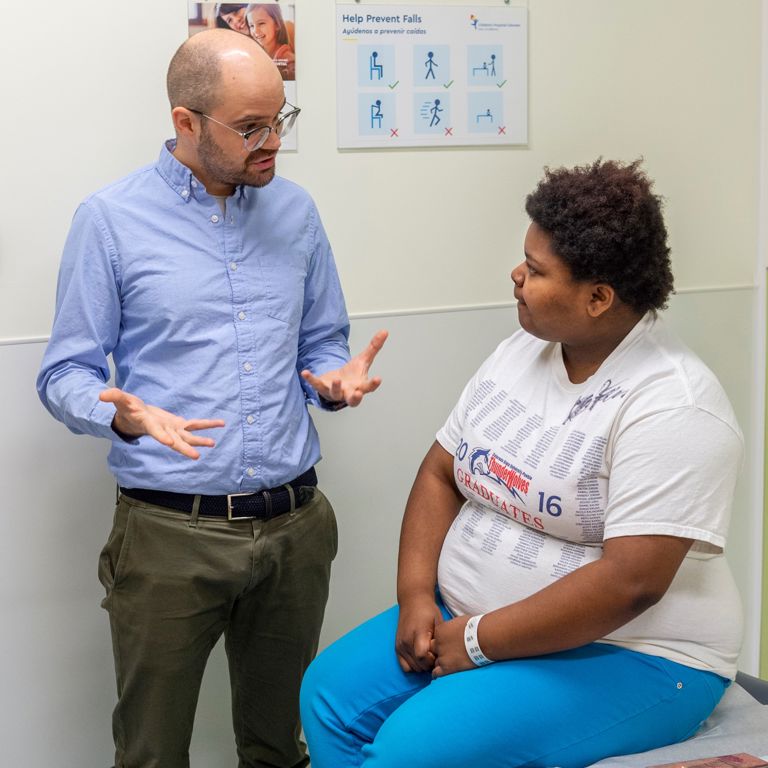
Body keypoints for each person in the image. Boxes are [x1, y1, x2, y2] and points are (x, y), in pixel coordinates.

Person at [300, 159, 743, 768]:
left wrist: (479, 643)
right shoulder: (522, 351)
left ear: (597, 297)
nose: (516, 275)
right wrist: (415, 595)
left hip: (637, 652)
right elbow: (439, 473)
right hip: (465, 614)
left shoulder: (674, 405)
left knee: (408, 750)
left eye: (535, 270)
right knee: (327, 697)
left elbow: (631, 583)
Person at [37, 28, 386, 768]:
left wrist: (332, 380)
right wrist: (117, 412)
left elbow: (322, 341)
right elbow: (63, 372)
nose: (273, 144)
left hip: (296, 530)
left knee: (280, 748)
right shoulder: (110, 221)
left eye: (281, 120)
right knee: (153, 752)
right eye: (251, 127)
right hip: (169, 537)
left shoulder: (297, 214)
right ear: (186, 123)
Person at [246, 4, 295, 81]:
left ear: (277, 24)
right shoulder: (256, 55)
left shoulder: (289, 63)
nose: (255, 31)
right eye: (251, 26)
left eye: (261, 23)